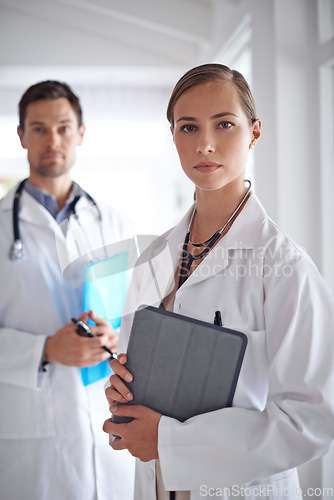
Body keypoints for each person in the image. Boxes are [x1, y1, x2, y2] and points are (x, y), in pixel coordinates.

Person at [103, 64, 334, 500]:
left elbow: (312, 421)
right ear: (173, 136)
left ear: (255, 132)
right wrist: (121, 393)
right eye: (188, 127)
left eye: (224, 124)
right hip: (157, 486)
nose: (205, 144)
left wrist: (171, 442)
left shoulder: (284, 266)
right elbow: (137, 372)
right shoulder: (154, 257)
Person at [0, 81, 135, 500]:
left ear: (80, 133)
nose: (52, 140)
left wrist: (118, 336)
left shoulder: (113, 222)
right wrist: (44, 349)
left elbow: (135, 313)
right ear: (21, 135)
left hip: (106, 425)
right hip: (29, 439)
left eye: (63, 127)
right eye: (38, 128)